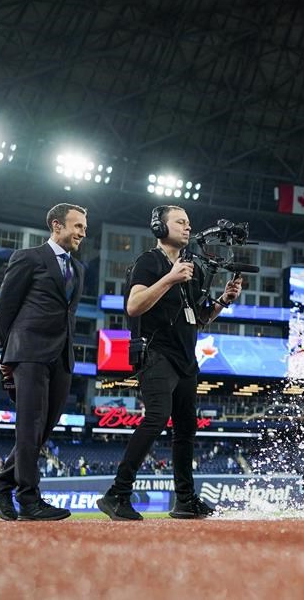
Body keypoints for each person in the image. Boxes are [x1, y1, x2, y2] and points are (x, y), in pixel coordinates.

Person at [97, 205, 241, 521]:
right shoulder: (148, 263)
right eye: (180, 222)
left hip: (186, 358)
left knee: (186, 429)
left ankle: (185, 500)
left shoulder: (191, 269)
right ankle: (117, 494)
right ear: (160, 228)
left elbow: (199, 318)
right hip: (155, 352)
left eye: (189, 223)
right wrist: (170, 278)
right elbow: (134, 307)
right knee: (157, 417)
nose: (187, 228)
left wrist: (223, 301)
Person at [0, 203, 87, 521]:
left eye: (84, 227)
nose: (82, 232)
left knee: (42, 430)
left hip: (62, 356)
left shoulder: (79, 269)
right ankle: (29, 500)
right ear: (57, 226)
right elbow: (5, 307)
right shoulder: (29, 257)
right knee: (29, 427)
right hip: (28, 352)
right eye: (77, 226)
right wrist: (7, 354)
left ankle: (0, 487)